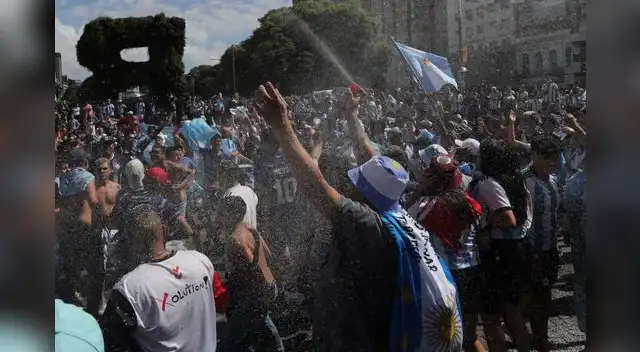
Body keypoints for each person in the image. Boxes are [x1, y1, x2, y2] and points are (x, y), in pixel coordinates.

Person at [255, 82, 462, 352]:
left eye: (356, 182)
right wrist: (352, 117)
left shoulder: (367, 224)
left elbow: (315, 186)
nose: (349, 185)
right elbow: (371, 157)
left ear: (366, 195)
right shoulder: (394, 207)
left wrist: (282, 127)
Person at [100, 207, 220, 352]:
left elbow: (109, 342)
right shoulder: (200, 261)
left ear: (130, 240)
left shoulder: (131, 288)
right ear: (165, 229)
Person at [408, 155, 485, 351]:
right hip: (471, 272)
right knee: (468, 337)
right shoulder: (469, 201)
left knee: (445, 339)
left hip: (443, 278)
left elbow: (405, 222)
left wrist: (419, 189)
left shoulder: (425, 205)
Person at [469, 139, 533, 352]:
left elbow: (508, 218)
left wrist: (485, 225)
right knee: (512, 311)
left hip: (498, 251)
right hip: (515, 247)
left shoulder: (488, 183)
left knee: (492, 315)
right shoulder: (515, 178)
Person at [219, 196, 284, 352]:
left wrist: (248, 293)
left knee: (234, 335)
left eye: (223, 212)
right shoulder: (250, 228)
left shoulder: (236, 240)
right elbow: (268, 255)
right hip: (268, 284)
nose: (220, 215)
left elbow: (253, 268)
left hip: (257, 291)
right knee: (258, 320)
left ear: (232, 214)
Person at [522, 134, 562, 352]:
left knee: (544, 296)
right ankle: (535, 337)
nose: (551, 163)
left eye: (554, 159)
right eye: (547, 158)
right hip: (530, 250)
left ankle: (540, 336)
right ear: (535, 156)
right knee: (534, 295)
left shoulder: (553, 181)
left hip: (550, 248)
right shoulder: (524, 181)